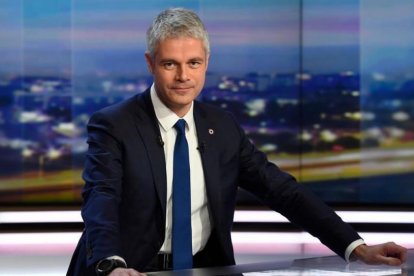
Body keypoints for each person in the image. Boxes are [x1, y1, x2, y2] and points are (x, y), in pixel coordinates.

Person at [67, 7, 407, 276]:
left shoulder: (221, 126)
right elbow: (102, 198)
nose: (184, 76)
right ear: (150, 63)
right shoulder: (115, 124)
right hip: (131, 269)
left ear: (207, 64)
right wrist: (110, 264)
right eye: (170, 64)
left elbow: (282, 190)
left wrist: (355, 247)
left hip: (205, 267)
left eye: (193, 63)